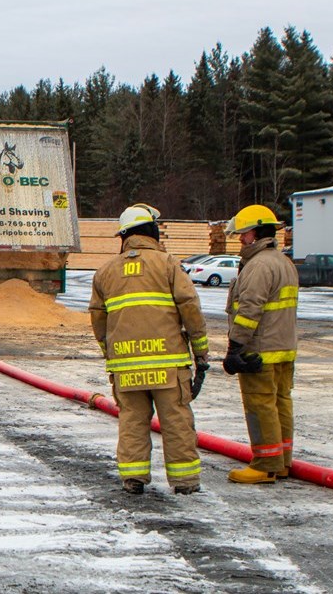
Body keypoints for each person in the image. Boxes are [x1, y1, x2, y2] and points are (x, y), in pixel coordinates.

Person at [89, 203, 210, 495]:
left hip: (126, 367)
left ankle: (133, 478)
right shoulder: (168, 264)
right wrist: (200, 351)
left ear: (124, 236)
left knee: (132, 421)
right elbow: (190, 308)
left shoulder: (105, 272)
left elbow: (98, 319)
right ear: (152, 231)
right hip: (168, 365)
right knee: (177, 421)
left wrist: (111, 353)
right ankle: (184, 481)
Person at [222, 204, 299, 484]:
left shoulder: (258, 266)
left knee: (260, 406)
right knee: (280, 403)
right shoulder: (283, 262)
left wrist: (235, 348)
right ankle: (281, 462)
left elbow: (249, 310)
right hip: (283, 349)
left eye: (244, 233)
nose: (241, 239)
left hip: (260, 352)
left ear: (256, 232)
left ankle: (265, 464)